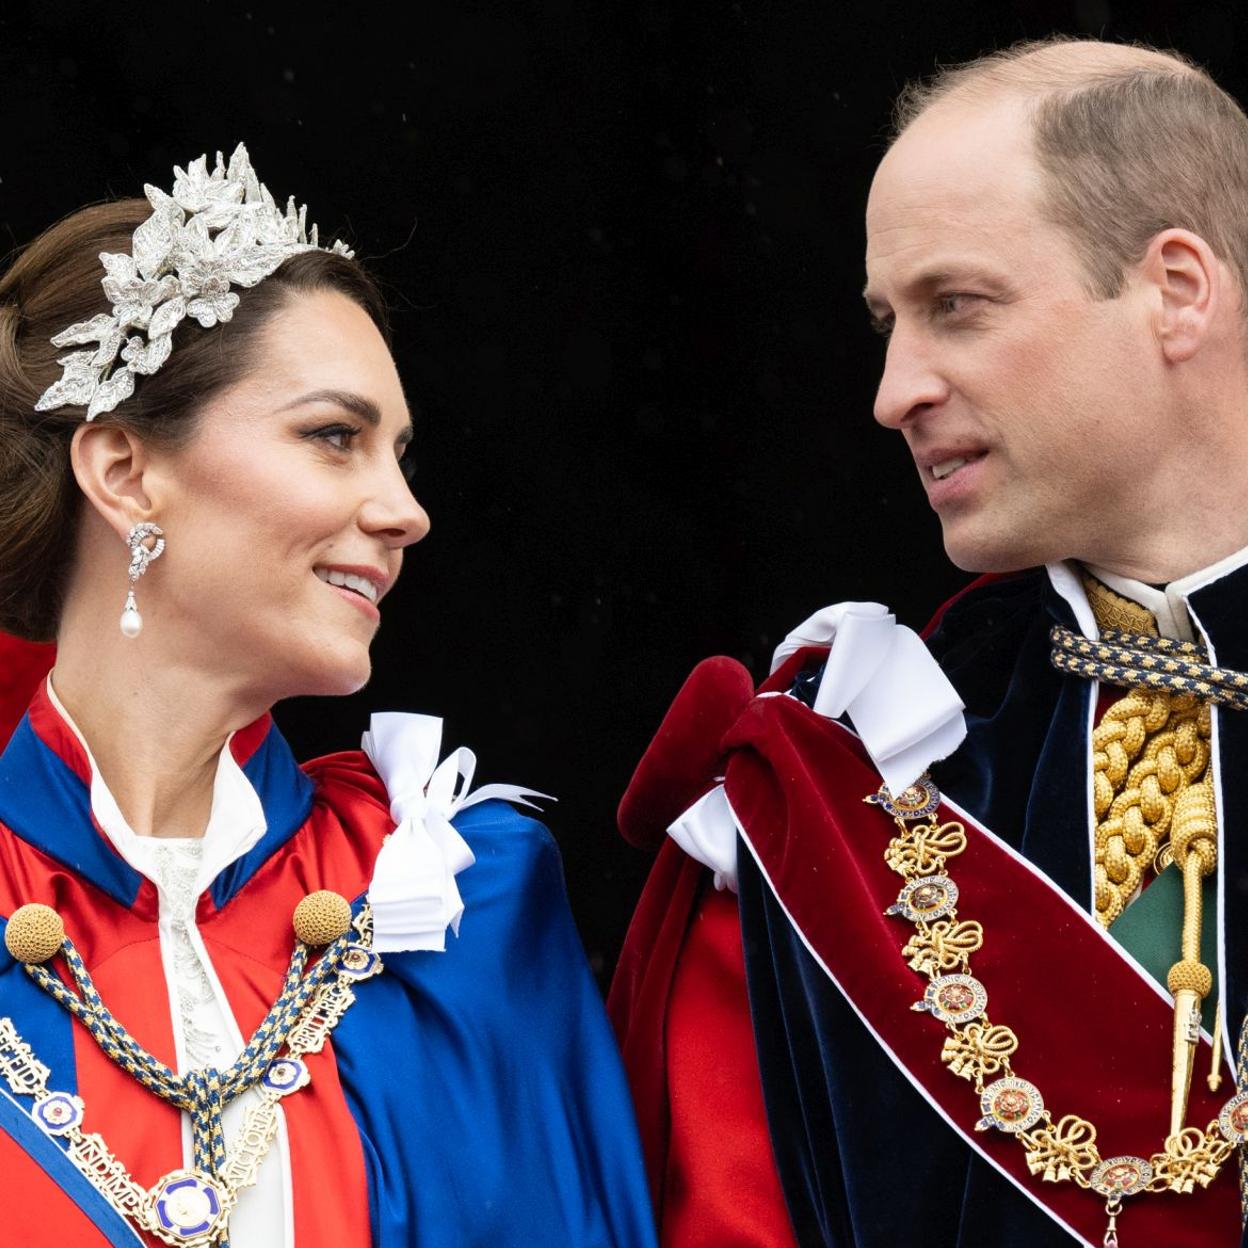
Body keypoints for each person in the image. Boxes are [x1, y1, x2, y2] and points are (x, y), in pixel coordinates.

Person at [609, 37, 1248, 1248]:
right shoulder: (839, 785)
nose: (894, 389)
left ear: (1176, 288)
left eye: (956, 306)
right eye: (887, 324)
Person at [0, 144, 657, 1247]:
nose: (404, 510)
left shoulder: (458, 900)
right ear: (123, 471)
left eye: (398, 455)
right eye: (333, 438)